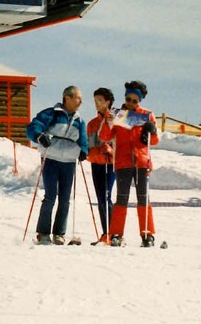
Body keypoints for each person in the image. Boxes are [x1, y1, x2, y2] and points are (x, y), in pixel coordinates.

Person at [27, 86, 89, 244]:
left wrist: (83, 151)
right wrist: (39, 136)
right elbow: (33, 127)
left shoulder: (80, 121)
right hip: (51, 159)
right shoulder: (51, 114)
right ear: (67, 98)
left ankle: (59, 233)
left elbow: (83, 141)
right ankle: (43, 232)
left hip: (68, 162)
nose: (81, 101)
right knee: (50, 196)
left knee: (65, 198)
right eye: (77, 98)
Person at [107, 79, 159, 247]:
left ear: (139, 101)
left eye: (134, 101)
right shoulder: (119, 114)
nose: (130, 103)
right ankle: (116, 233)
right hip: (123, 162)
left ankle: (147, 234)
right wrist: (108, 122)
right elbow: (105, 136)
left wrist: (152, 131)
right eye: (128, 99)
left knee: (143, 198)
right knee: (121, 198)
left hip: (141, 162)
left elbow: (155, 140)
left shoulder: (146, 115)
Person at [86, 87, 117, 243]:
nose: (96, 104)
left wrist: (110, 150)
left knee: (106, 196)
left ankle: (113, 233)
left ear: (108, 102)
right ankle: (106, 233)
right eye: (95, 101)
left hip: (111, 164)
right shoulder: (92, 124)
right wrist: (97, 151)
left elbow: (122, 144)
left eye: (99, 100)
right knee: (100, 198)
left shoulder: (116, 119)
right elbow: (89, 148)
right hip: (97, 164)